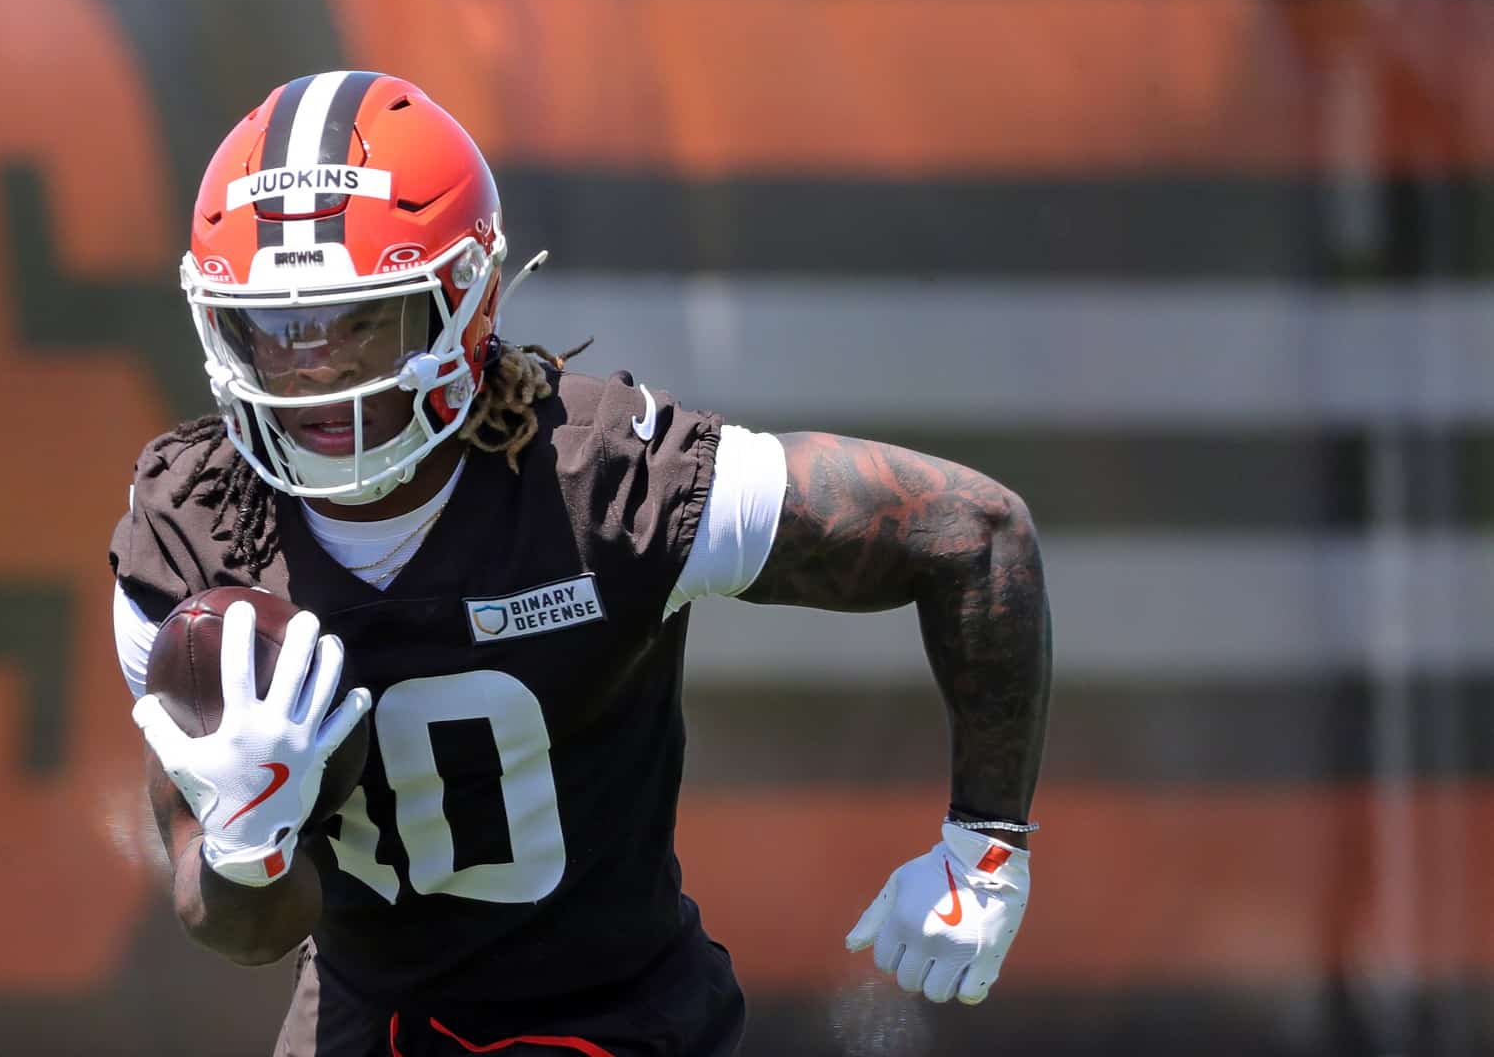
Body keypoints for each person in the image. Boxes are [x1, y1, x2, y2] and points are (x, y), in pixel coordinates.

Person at [110, 70, 1051, 1057]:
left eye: (362, 321)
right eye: (275, 329)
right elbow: (244, 929)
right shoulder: (195, 530)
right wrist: (248, 846)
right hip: (365, 1016)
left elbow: (969, 530)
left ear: (463, 303)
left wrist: (985, 847)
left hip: (611, 1017)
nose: (316, 371)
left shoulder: (601, 479)